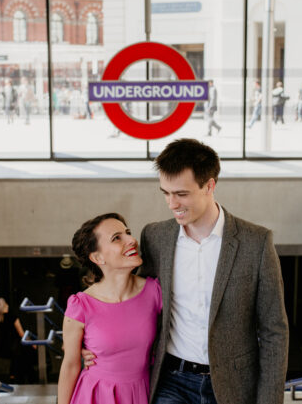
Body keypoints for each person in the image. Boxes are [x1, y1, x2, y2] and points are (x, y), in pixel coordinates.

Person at [83, 139, 289, 404]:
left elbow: (274, 331)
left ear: (209, 186)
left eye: (181, 194)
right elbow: (132, 300)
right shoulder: (155, 237)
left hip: (233, 386)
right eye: (166, 193)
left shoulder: (256, 242)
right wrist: (88, 343)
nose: (172, 204)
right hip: (172, 380)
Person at [58, 213, 162, 404]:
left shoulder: (155, 291)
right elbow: (70, 365)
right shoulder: (80, 305)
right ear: (97, 257)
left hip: (143, 393)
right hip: (94, 395)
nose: (131, 240)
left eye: (128, 233)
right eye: (117, 238)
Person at [0, 297, 37, 384]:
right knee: (25, 362)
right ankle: (28, 378)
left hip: (8, 345)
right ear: (5, 304)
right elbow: (21, 332)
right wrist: (31, 343)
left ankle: (13, 377)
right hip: (18, 344)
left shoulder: (0, 318)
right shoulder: (13, 316)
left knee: (15, 362)